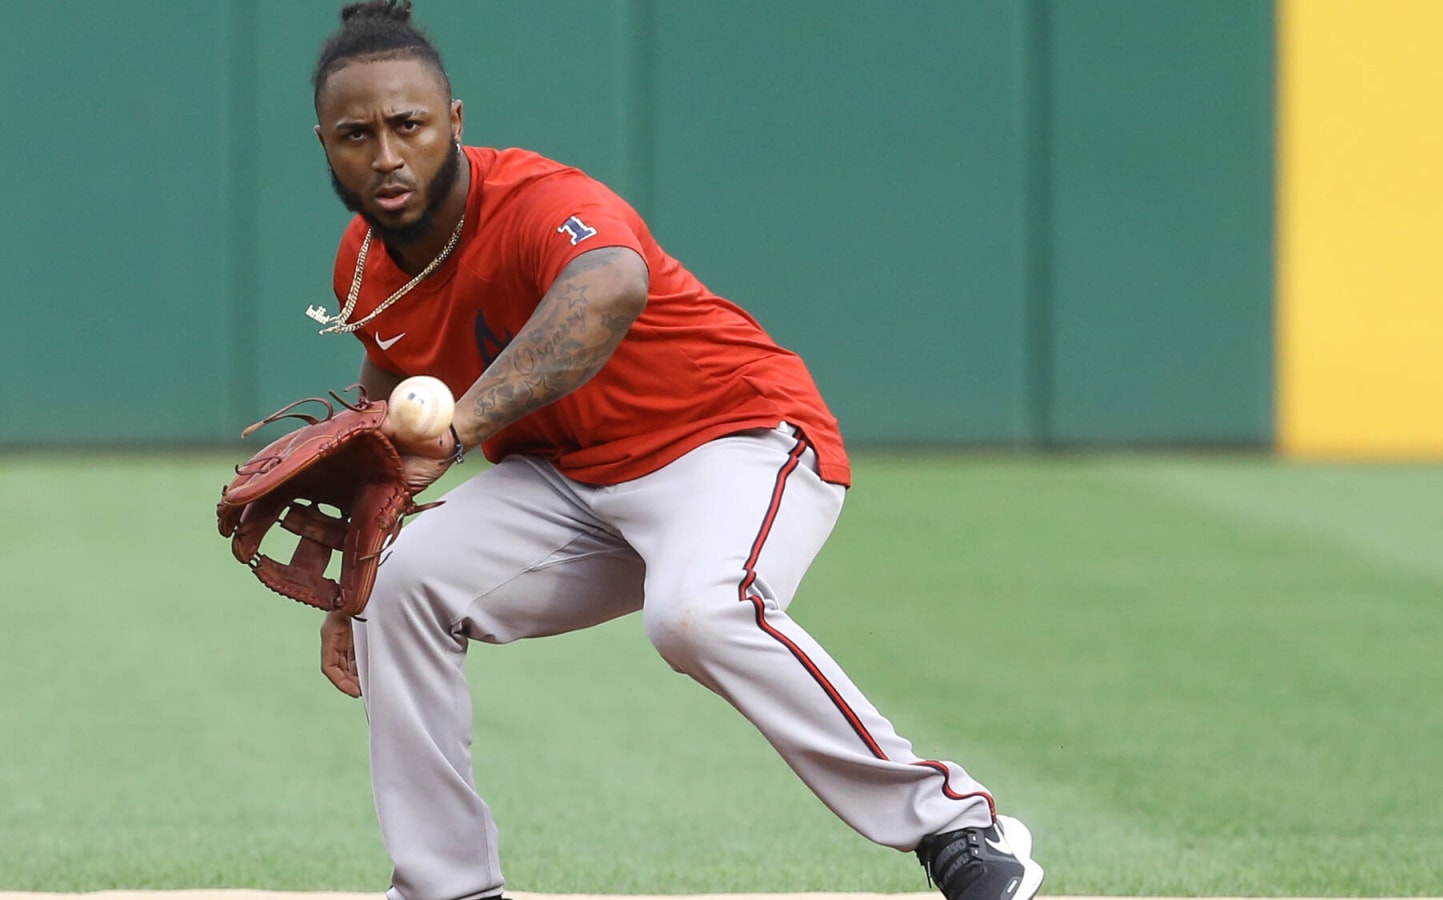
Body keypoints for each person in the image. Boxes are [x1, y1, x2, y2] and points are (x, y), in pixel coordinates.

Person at [307, 4, 1045, 900]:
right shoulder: (365, 258)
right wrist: (351, 582)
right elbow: (380, 402)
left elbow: (610, 288)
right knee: (401, 582)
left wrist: (460, 424)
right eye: (357, 134)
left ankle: (957, 827)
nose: (386, 154)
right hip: (569, 484)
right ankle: (444, 885)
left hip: (729, 440)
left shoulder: (543, 202)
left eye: (408, 125)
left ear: (454, 122)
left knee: (696, 612)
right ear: (325, 144)